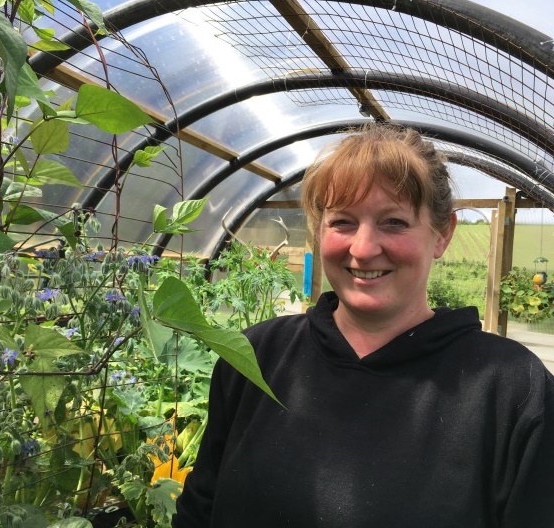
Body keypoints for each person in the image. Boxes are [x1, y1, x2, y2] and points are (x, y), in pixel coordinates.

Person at [172, 123, 554, 527]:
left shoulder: (511, 390)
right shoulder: (255, 356)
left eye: (394, 222)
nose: (364, 249)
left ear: (442, 234)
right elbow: (200, 509)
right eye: (343, 222)